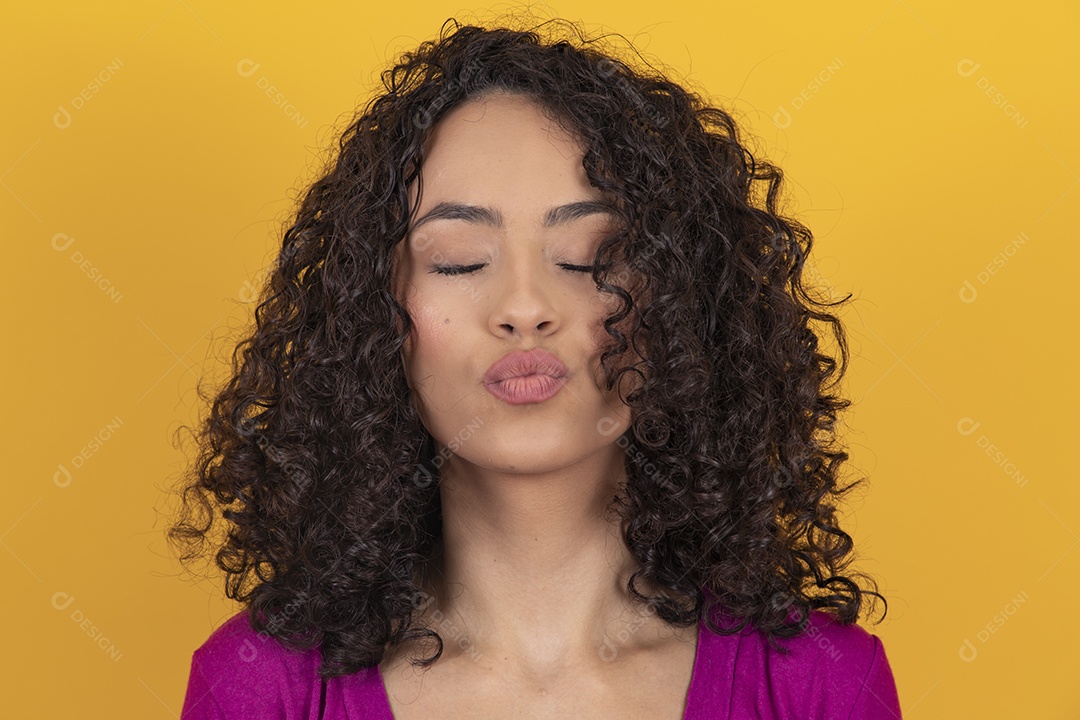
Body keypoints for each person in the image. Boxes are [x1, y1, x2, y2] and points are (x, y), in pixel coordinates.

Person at [171, 15, 902, 719]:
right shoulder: (259, 687)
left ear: (682, 304)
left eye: (589, 257)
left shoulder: (822, 685)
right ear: (373, 319)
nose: (524, 307)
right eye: (459, 260)